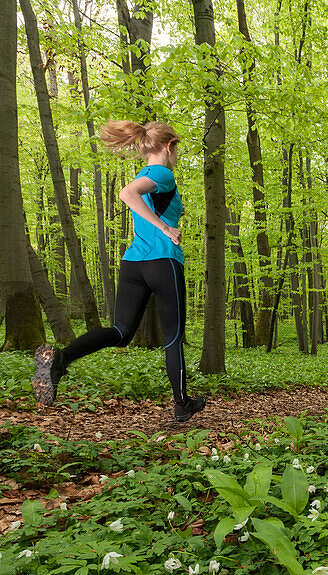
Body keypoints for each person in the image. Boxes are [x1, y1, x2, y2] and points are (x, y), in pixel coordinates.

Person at [32, 120, 206, 423]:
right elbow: (127, 194)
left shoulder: (147, 174)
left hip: (133, 264)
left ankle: (61, 359)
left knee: (121, 332)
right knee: (172, 338)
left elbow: (136, 197)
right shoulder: (162, 172)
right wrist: (166, 228)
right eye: (176, 150)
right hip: (163, 262)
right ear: (169, 146)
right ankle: (182, 404)